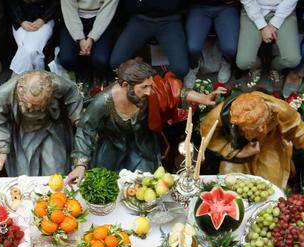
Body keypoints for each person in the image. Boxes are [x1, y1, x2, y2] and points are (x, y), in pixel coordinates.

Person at [67, 58, 217, 182]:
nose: (150, 91)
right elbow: (85, 130)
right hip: (111, 148)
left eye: (150, 86)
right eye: (144, 87)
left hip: (142, 146)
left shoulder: (149, 92)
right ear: (126, 85)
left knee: (146, 182)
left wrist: (203, 98)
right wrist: (80, 164)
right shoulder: (103, 102)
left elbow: (172, 92)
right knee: (105, 183)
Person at [197, 90, 304, 189]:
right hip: (238, 148)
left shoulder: (278, 109)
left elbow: (296, 127)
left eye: (264, 124)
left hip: (271, 143)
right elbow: (208, 135)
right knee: (230, 185)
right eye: (255, 128)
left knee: (271, 186)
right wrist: (237, 152)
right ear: (238, 125)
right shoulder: (217, 117)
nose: (261, 130)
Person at [0, 69, 82, 177]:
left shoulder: (57, 84)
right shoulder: (4, 93)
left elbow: (73, 93)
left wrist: (77, 118)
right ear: (21, 90)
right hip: (23, 132)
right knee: (25, 174)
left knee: (56, 171)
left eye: (37, 106)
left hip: (51, 128)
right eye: (27, 103)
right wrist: (1, 150)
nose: (30, 108)